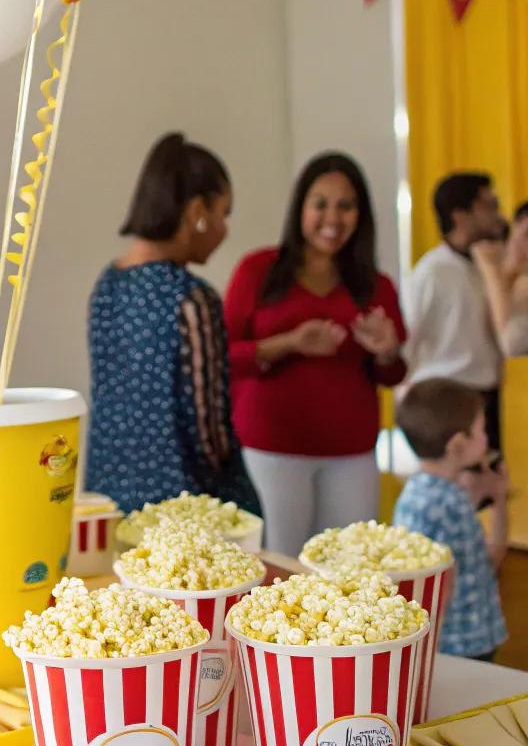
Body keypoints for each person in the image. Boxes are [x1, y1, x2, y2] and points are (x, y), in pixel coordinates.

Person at [224, 152, 406, 557]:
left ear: (361, 214)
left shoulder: (376, 286)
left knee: (349, 570)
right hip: (271, 447)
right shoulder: (258, 270)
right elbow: (225, 357)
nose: (333, 217)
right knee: (279, 567)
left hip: (351, 452)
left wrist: (386, 350)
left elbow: (393, 374)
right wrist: (288, 343)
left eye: (346, 205)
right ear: (300, 208)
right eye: (320, 203)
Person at [85, 132, 259, 516]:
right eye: (223, 213)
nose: (224, 228)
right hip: (183, 508)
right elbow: (209, 434)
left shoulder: (107, 283)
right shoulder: (191, 299)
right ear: (197, 212)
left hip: (109, 498)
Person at [394, 378, 508, 661]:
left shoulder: (416, 492)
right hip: (462, 643)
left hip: (446, 643)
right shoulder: (450, 502)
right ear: (458, 444)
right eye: (481, 430)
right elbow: (489, 560)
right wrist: (499, 499)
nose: (486, 438)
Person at [404, 172, 503, 446]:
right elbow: (407, 342)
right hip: (444, 400)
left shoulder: (489, 265)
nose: (498, 214)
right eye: (489, 205)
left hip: (488, 398)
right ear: (461, 215)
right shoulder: (431, 272)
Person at [472, 197, 528, 356]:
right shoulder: (484, 268)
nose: (520, 240)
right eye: (522, 229)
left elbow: (508, 346)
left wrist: (491, 272)